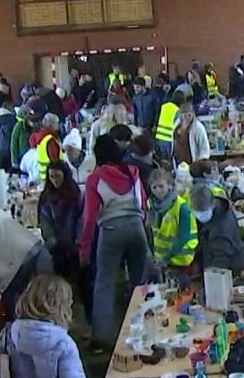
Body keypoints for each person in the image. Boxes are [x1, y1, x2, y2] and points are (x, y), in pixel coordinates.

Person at [80, 135, 150, 350]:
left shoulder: (95, 179)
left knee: (105, 283)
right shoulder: (133, 172)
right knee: (140, 282)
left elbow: (90, 217)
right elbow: (144, 204)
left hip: (111, 232)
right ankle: (145, 331)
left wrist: (84, 248)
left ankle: (101, 338)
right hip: (137, 228)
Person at [147, 169, 198, 281]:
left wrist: (166, 257)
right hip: (163, 261)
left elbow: (183, 236)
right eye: (154, 187)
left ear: (169, 186)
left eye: (161, 186)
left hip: (181, 260)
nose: (158, 191)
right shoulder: (152, 207)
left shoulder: (181, 207)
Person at [38, 162, 82, 283]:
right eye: (51, 177)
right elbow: (44, 221)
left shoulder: (75, 194)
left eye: (57, 176)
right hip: (56, 249)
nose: (55, 180)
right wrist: (52, 241)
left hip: (74, 246)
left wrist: (78, 241)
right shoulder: (46, 197)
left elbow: (80, 219)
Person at [190, 184, 244, 274]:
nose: (200, 215)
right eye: (197, 211)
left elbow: (222, 259)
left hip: (229, 271)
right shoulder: (212, 213)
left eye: (203, 211)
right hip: (212, 264)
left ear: (213, 204)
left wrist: (209, 276)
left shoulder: (223, 225)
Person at [30, 113, 63, 182]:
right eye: (56, 123)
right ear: (51, 125)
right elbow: (55, 160)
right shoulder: (50, 140)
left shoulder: (41, 137)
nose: (58, 126)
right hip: (53, 176)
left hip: (45, 175)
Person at [153, 88, 183, 161]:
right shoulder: (177, 110)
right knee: (169, 161)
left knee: (161, 160)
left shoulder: (164, 106)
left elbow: (157, 118)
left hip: (158, 137)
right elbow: (178, 125)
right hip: (169, 139)